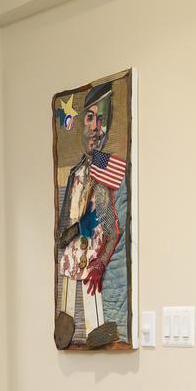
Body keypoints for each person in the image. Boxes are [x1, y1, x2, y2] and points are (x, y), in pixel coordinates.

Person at [54, 79, 129, 348]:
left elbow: (112, 229)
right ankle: (65, 329)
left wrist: (102, 260)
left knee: (90, 301)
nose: (96, 127)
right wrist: (66, 233)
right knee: (66, 303)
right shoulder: (76, 172)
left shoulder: (101, 177)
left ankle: (98, 330)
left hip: (90, 254)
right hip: (72, 253)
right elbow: (66, 217)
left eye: (101, 120)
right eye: (90, 118)